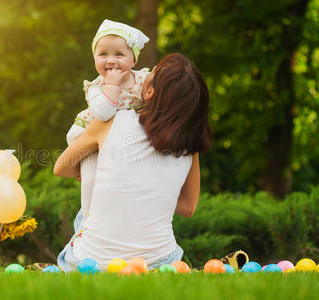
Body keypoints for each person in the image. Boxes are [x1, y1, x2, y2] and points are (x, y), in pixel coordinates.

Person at [54, 53, 213, 272]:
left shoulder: (113, 121)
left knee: (88, 212)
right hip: (158, 264)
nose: (145, 73)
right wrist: (150, 190)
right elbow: (187, 206)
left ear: (149, 92)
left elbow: (61, 167)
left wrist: (109, 178)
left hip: (89, 263)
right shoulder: (189, 146)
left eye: (152, 72)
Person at [66, 19, 150, 219]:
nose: (110, 60)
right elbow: (103, 114)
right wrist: (111, 86)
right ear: (94, 57)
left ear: (134, 60)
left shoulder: (143, 80)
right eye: (103, 54)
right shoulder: (97, 86)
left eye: (119, 54)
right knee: (91, 180)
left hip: (125, 143)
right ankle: (89, 221)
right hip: (93, 139)